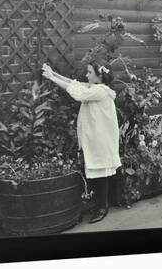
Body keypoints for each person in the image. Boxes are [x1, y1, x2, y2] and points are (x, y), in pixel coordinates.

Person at [41, 62, 121, 223]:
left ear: (99, 76)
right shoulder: (95, 87)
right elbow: (73, 84)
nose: (86, 75)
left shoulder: (100, 91)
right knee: (97, 171)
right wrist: (53, 74)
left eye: (89, 72)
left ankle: (103, 206)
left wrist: (51, 77)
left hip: (101, 139)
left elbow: (76, 93)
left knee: (101, 173)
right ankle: (99, 203)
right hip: (96, 137)